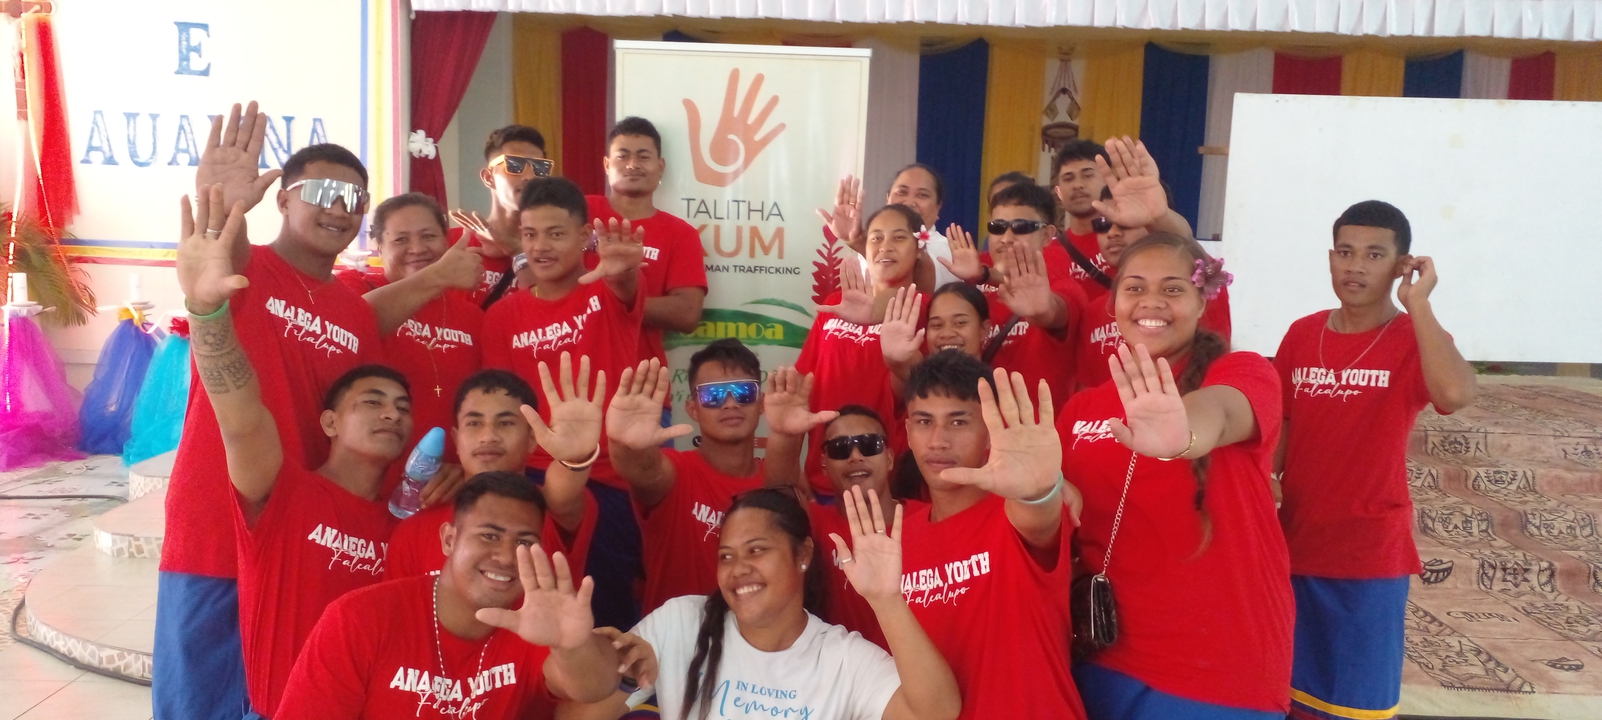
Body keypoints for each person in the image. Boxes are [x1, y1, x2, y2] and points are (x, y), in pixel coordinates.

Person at [154, 103, 383, 720]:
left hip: (293, 538)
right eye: (325, 191)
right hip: (213, 525)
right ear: (283, 199)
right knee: (197, 702)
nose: (341, 207)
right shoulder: (244, 265)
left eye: (355, 198)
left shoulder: (357, 313)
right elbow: (208, 270)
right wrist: (222, 206)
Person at [1060, 232, 1291, 719]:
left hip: (1214, 673)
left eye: (1172, 289)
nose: (1151, 302)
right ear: (1113, 301)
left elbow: (1223, 415)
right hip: (1101, 656)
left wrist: (1183, 436)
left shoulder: (1243, 371)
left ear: (1202, 300)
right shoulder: (1081, 408)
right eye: (1135, 287)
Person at [1275, 201, 1475, 720]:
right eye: (1345, 252)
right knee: (1285, 695)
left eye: (1373, 254)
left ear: (1400, 264)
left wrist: (1420, 306)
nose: (1355, 266)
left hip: (1368, 554)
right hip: (1293, 543)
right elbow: (1284, 423)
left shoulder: (1414, 338)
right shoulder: (1302, 333)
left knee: (1355, 706)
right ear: (1329, 257)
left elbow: (1456, 391)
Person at [575, 486, 962, 720]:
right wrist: (625, 679)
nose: (738, 569)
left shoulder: (843, 658)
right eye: (726, 556)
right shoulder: (682, 621)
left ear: (803, 555)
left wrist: (887, 601)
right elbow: (578, 713)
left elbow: (937, 713)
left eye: (756, 550)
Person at [274, 472, 623, 719]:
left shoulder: (534, 617)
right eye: (489, 535)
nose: (505, 556)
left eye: (524, 542)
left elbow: (596, 687)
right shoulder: (358, 617)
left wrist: (571, 644)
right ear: (449, 539)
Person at [482, 176, 647, 630]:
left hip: (608, 477)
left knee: (607, 609)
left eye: (555, 234)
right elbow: (504, 405)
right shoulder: (501, 317)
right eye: (531, 234)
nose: (541, 247)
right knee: (536, 609)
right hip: (533, 478)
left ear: (583, 236)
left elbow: (627, 284)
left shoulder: (605, 292)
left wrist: (625, 270)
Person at [896, 349, 1088, 720]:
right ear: (907, 431)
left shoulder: (1013, 512)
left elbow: (1037, 518)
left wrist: (1038, 490)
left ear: (989, 430)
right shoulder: (898, 540)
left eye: (957, 422)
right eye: (924, 422)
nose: (937, 441)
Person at [385, 361, 600, 581]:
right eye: (474, 423)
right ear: (456, 441)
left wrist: (576, 456)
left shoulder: (550, 509)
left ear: (532, 440)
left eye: (505, 423)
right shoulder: (413, 531)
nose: (488, 436)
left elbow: (563, 493)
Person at [605, 340, 769, 614]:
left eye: (743, 392)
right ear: (693, 408)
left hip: (756, 643)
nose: (730, 403)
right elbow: (642, 470)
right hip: (676, 647)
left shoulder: (777, 478)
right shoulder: (675, 471)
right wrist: (624, 443)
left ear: (761, 402)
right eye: (713, 396)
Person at [336, 193, 485, 474]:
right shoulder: (356, 287)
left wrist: (467, 469)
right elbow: (356, 324)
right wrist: (440, 275)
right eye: (400, 240)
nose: (417, 249)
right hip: (372, 476)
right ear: (379, 248)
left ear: (446, 241)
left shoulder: (473, 317)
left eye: (428, 236)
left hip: (450, 478)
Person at [762, 365, 897, 650]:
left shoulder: (929, 519)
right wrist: (784, 435)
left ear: (890, 458)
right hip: (834, 683)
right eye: (840, 448)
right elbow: (778, 496)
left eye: (869, 444)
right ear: (823, 462)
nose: (856, 456)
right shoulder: (816, 525)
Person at [797, 204, 927, 498]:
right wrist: (793, 468)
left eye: (899, 238)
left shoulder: (926, 309)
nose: (885, 247)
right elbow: (803, 384)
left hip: (888, 480)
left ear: (919, 248)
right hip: (824, 476)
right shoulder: (837, 303)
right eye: (876, 238)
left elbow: (924, 386)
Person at [939, 181, 1086, 406]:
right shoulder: (974, 290)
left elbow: (1054, 311)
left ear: (1047, 235)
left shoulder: (1066, 288)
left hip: (1036, 435)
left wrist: (1042, 312)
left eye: (1021, 227)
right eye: (998, 226)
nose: (1006, 238)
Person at [1074, 182, 1231, 392]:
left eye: (1127, 223)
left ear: (1201, 302)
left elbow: (1189, 254)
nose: (1112, 232)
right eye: (1103, 224)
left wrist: (1161, 218)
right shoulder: (1093, 311)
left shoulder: (1199, 281)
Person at [588, 117, 709, 367]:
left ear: (660, 166)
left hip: (643, 384)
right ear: (607, 164)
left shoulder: (680, 233)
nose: (632, 164)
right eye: (622, 156)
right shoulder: (579, 211)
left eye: (643, 156)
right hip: (573, 380)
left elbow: (687, 314)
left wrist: (606, 303)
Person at [1052, 138, 1192, 300]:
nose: (1077, 185)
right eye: (1068, 178)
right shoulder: (1048, 252)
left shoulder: (1141, 239)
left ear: (1107, 179)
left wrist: (1160, 216)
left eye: (1087, 175)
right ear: (1058, 192)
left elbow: (1184, 245)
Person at [451, 125, 552, 307]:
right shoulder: (453, 245)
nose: (530, 176)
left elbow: (552, 314)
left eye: (539, 168)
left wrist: (518, 252)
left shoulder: (552, 248)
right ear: (488, 177)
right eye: (515, 165)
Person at [818, 165, 950, 299]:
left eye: (922, 195)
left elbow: (917, 283)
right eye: (901, 192)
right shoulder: (871, 243)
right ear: (887, 198)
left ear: (938, 207)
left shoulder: (948, 249)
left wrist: (859, 241)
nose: (910, 202)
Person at [881, 282, 993, 393]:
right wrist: (894, 361)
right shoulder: (916, 386)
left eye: (960, 322)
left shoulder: (1000, 383)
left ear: (984, 330)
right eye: (936, 325)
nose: (947, 333)